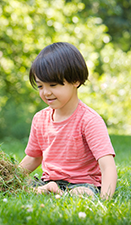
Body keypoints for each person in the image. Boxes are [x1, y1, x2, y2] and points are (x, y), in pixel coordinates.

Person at [19, 42, 117, 199]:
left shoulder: (89, 120)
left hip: (82, 184)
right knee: (25, 185)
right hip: (48, 180)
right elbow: (33, 157)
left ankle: (55, 192)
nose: (46, 92)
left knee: (84, 193)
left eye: (53, 85)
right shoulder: (40, 119)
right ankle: (49, 189)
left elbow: (107, 165)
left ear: (76, 81)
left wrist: (105, 199)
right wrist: (10, 177)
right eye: (40, 86)